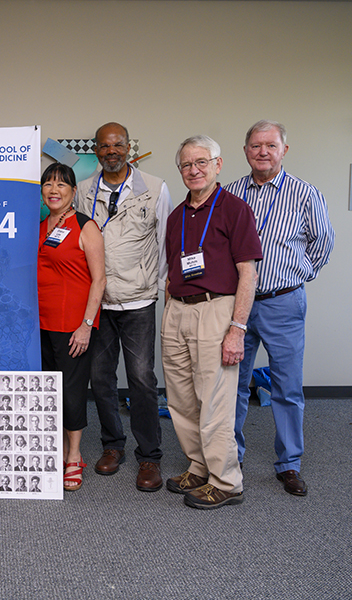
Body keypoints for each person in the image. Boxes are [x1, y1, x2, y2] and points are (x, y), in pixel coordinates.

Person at [226, 120, 335, 497]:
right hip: (237, 304)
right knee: (234, 383)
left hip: (283, 302)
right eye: (255, 145)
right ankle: (231, 456)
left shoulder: (305, 194)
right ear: (245, 151)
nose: (263, 152)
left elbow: (323, 243)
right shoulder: (231, 193)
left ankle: (289, 463)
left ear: (284, 150)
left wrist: (295, 274)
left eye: (270, 145)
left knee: (287, 387)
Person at [162, 135, 261, 510]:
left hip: (216, 309)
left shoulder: (235, 209)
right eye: (187, 164)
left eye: (202, 162)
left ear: (218, 165)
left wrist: (237, 329)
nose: (194, 170)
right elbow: (173, 268)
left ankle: (226, 481)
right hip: (178, 311)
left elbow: (247, 275)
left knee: (215, 400)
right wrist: (170, 311)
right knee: (182, 399)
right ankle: (199, 466)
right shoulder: (176, 217)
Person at [75, 122, 173, 492]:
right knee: (100, 379)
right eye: (104, 146)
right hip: (99, 302)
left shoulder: (154, 187)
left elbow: (166, 240)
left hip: (138, 300)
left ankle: (149, 455)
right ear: (96, 150)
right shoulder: (84, 191)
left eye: (118, 145)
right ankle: (113, 446)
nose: (111, 151)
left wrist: (156, 283)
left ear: (129, 148)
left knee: (141, 379)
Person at [38, 162, 106, 492]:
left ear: (73, 191)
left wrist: (86, 325)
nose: (54, 190)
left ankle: (75, 455)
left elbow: (99, 279)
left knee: (71, 391)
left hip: (72, 326)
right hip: (40, 325)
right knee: (49, 391)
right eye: (48, 184)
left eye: (61, 185)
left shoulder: (85, 226)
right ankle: (61, 450)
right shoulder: (40, 227)